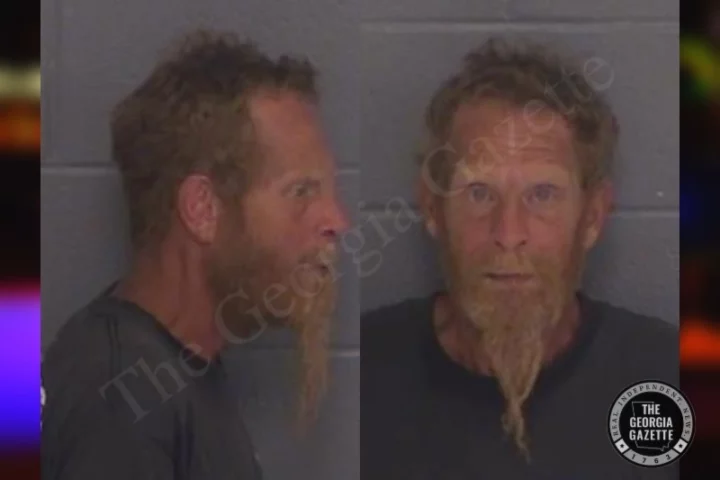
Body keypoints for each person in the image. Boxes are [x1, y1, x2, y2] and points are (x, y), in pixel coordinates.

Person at [361, 39, 678, 479]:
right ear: (432, 208)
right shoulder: (363, 375)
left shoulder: (669, 375)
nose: (509, 235)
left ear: (592, 216)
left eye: (542, 194)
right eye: (478, 193)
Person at [42, 29, 348, 480]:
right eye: (301, 191)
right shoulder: (121, 398)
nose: (337, 220)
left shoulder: (170, 369)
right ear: (203, 209)